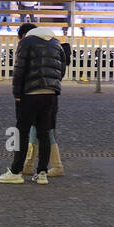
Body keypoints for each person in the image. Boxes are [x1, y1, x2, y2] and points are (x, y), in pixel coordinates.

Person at [0, 21, 65, 185]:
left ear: (23, 35)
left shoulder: (26, 42)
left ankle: (16, 171)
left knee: (22, 133)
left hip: (30, 93)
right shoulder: (55, 42)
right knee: (44, 133)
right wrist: (53, 85)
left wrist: (17, 94)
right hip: (50, 94)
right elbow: (61, 67)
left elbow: (19, 69)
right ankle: (42, 174)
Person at [24, 35, 71, 177]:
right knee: (40, 130)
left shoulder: (44, 56)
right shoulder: (57, 56)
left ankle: (55, 166)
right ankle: (29, 164)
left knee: (44, 131)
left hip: (41, 95)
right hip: (51, 96)